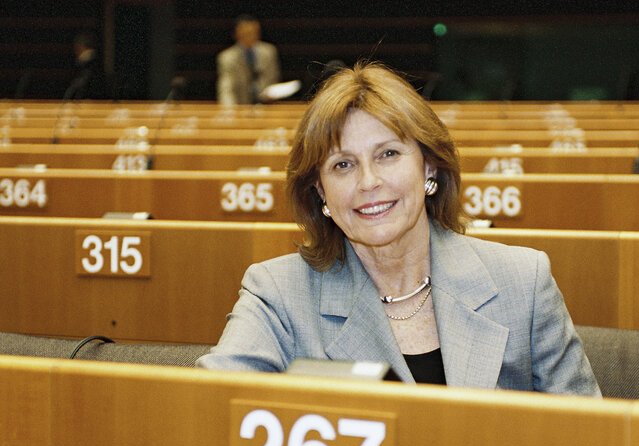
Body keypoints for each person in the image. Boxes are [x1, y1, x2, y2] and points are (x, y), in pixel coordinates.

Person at [196, 62, 601, 396]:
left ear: (428, 166)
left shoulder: (523, 283)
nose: (368, 182)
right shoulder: (278, 294)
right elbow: (207, 409)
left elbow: (590, 445)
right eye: (343, 164)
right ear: (320, 190)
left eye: (388, 154)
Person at [216, 15, 280, 105]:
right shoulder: (227, 57)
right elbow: (226, 88)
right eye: (246, 33)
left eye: (253, 32)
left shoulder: (269, 52)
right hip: (240, 106)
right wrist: (230, 112)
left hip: (266, 106)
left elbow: (273, 79)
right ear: (237, 34)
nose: (250, 35)